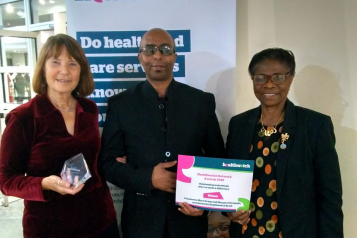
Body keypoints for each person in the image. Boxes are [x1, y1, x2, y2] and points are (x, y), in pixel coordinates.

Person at [98, 28, 226, 238]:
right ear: (140, 57)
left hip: (189, 220)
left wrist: (204, 202)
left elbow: (217, 158)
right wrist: (148, 178)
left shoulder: (201, 102)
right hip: (141, 222)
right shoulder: (121, 104)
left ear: (175, 56)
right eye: (150, 49)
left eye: (165, 49)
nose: (157, 55)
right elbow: (107, 163)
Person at [0, 34, 119, 238]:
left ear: (81, 71)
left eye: (72, 63)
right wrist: (44, 184)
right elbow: (6, 180)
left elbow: (92, 160)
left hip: (100, 221)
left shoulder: (89, 108)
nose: (64, 71)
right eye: (56, 62)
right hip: (49, 227)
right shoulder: (24, 118)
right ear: (43, 68)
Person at [226, 48, 343, 238]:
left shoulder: (315, 125)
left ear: (290, 78)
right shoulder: (239, 124)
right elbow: (230, 179)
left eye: (278, 77)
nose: (269, 84)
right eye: (260, 77)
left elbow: (330, 197)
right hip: (247, 232)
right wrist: (230, 210)